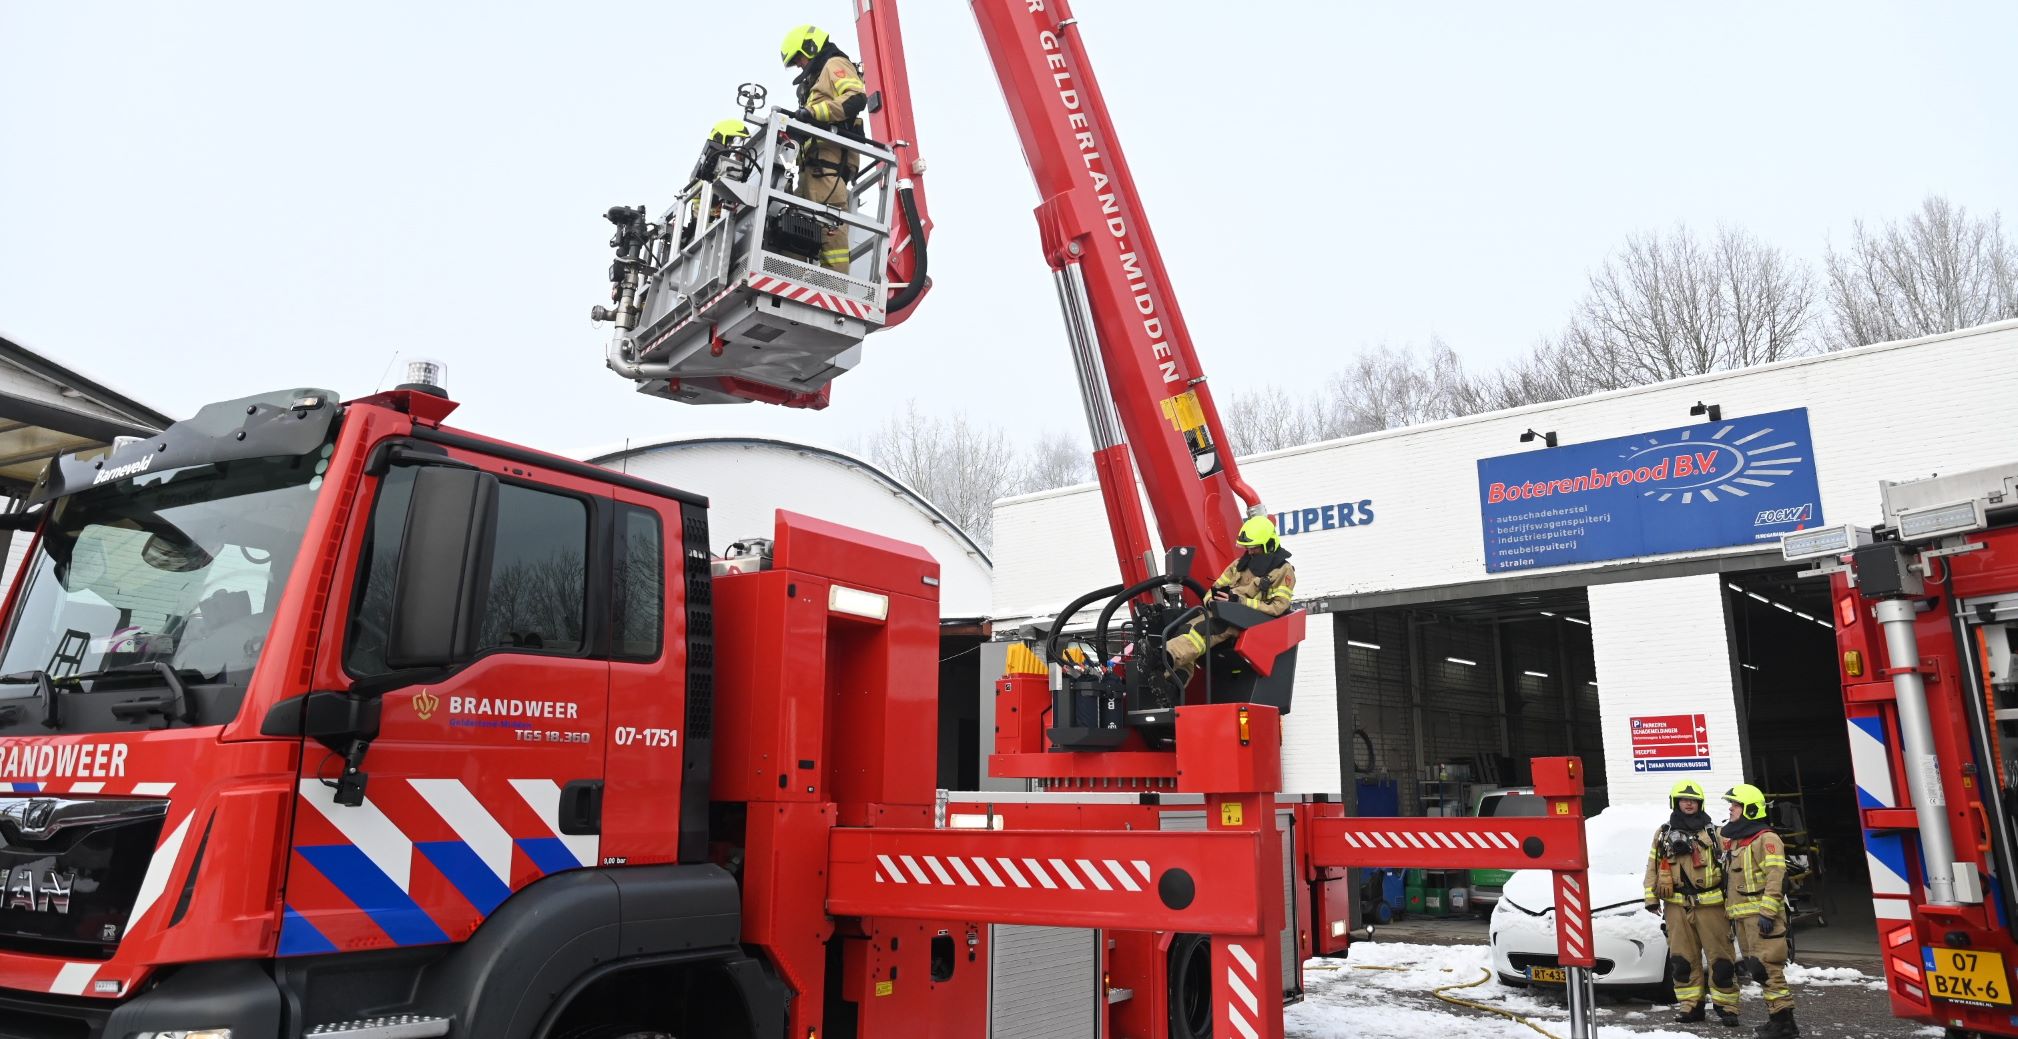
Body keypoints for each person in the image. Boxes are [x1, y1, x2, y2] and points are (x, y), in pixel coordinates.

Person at [1643, 780, 1740, 1027]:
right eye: (1684, 800)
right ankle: (1691, 1007)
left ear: (1700, 803)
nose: (1689, 803)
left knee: (1721, 961)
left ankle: (1726, 1007)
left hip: (1712, 907)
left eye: (1693, 800)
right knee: (1682, 961)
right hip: (1676, 907)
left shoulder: (1714, 833)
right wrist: (1651, 898)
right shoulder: (1663, 834)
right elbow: (1652, 866)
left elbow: (1731, 868)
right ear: (1675, 803)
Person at [1166, 516, 1296, 686]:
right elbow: (1214, 589)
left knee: (1202, 630)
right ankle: (1175, 680)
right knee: (1182, 628)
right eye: (1247, 548)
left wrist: (1239, 602)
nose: (1249, 552)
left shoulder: (1283, 571)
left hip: (1248, 622)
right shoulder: (1238, 565)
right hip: (1224, 613)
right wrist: (1212, 600)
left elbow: (1278, 607)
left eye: (1253, 548)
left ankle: (1165, 657)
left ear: (1269, 544)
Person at [779, 25, 868, 272]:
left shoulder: (834, 64)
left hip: (828, 168)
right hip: (811, 170)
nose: (798, 65)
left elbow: (854, 98)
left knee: (831, 228)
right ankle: (790, 276)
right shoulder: (816, 77)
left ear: (811, 46)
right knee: (792, 221)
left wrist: (811, 113)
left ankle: (835, 285)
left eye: (799, 57)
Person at [1723, 783, 1798, 1038]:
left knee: (1769, 968)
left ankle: (1785, 1024)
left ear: (1750, 810)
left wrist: (1767, 912)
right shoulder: (1738, 839)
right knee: (1758, 968)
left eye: (1735, 805)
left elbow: (1776, 876)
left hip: (1762, 917)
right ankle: (1777, 1019)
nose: (1731, 809)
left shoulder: (1767, 838)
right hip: (1744, 918)